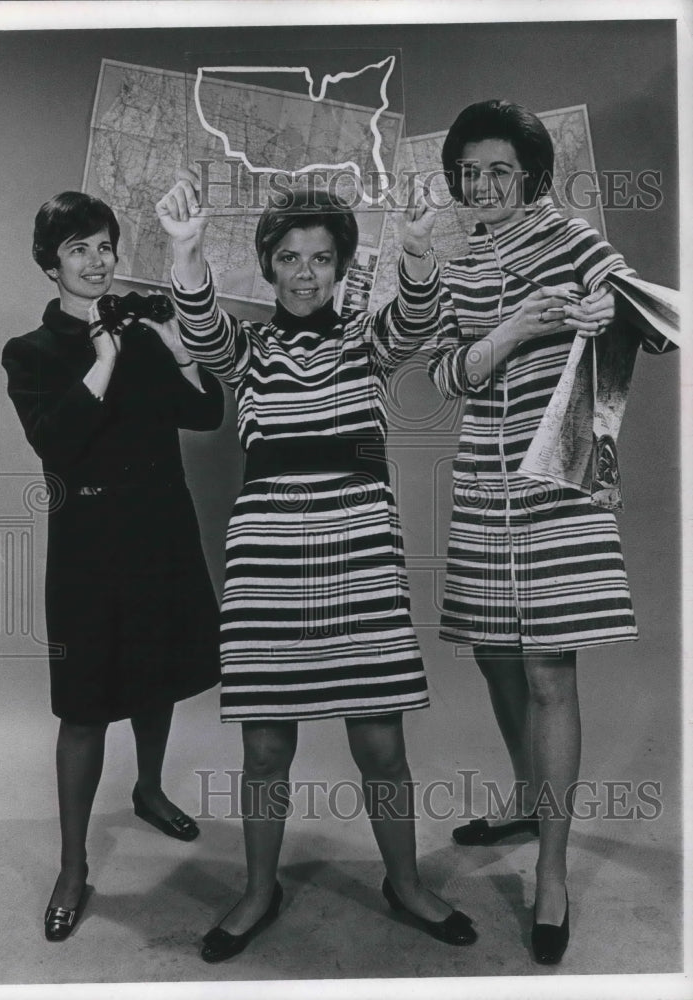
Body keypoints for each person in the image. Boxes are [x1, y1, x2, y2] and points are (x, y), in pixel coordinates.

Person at [154, 170, 478, 962]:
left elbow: (415, 320)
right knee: (265, 747)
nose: (305, 273)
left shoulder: (364, 337)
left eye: (322, 258)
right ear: (267, 265)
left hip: (360, 556)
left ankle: (402, 882)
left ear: (339, 266)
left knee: (378, 744)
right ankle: (258, 889)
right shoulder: (250, 349)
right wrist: (186, 250)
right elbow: (199, 332)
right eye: (290, 257)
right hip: (268, 565)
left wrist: (414, 250)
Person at [426, 100, 673, 964]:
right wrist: (518, 326)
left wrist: (614, 318)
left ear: (530, 175)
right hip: (479, 485)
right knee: (496, 652)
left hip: (557, 478)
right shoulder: (451, 263)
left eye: (497, 170)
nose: (481, 185)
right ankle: (529, 795)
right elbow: (448, 375)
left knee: (546, 671)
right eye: (468, 171)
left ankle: (552, 876)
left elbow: (656, 317)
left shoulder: (570, 238)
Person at [2, 191, 224, 941]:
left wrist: (177, 346)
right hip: (88, 549)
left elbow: (204, 416)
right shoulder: (30, 352)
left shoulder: (139, 328)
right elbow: (56, 444)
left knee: (156, 676)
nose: (96, 261)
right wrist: (102, 361)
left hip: (159, 533)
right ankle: (72, 865)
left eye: (103, 246)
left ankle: (150, 790)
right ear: (51, 263)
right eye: (77, 250)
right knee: (85, 708)